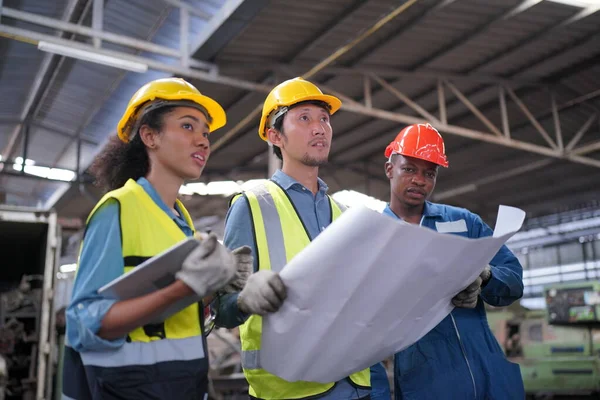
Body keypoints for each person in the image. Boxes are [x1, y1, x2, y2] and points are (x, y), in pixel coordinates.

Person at [61, 77, 263, 400]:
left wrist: (228, 296)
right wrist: (184, 288)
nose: (203, 141)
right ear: (150, 135)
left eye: (206, 133)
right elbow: (85, 325)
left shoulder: (183, 225)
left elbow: (181, 322)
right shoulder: (118, 210)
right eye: (187, 126)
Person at [219, 77, 388, 399]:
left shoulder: (344, 213)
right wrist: (242, 300)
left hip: (355, 383)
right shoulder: (252, 205)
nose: (320, 128)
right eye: (305, 118)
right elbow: (223, 307)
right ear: (274, 135)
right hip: (290, 388)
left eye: (324, 119)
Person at [376, 122, 525, 399]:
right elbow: (363, 333)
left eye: (429, 173)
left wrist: (486, 277)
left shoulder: (463, 222)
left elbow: (514, 279)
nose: (420, 180)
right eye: (409, 169)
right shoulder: (374, 238)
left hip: (490, 376)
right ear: (389, 169)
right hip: (427, 383)